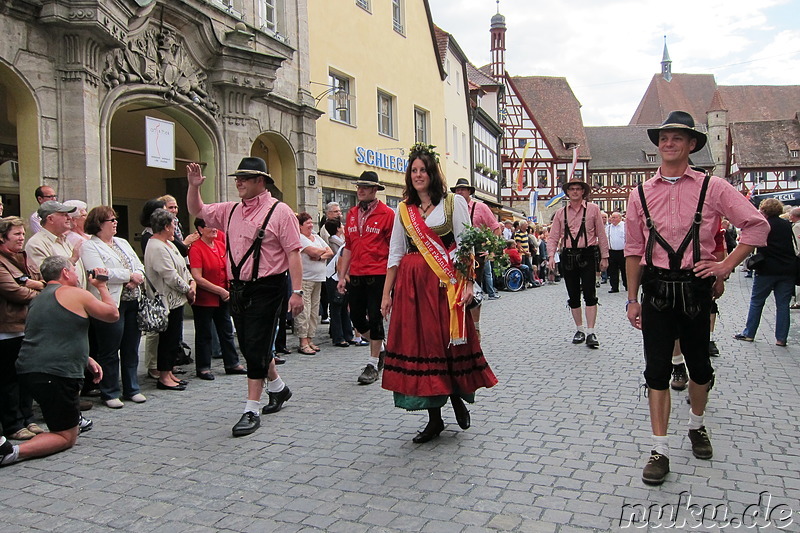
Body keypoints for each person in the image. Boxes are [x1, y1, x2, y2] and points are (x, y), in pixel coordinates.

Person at [625, 110, 769, 486]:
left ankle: (697, 425)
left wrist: (725, 266)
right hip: (655, 290)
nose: (667, 143)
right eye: (663, 137)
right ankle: (659, 449)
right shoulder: (639, 193)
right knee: (655, 372)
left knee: (700, 368)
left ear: (691, 145)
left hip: (695, 290)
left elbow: (758, 225)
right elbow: (633, 250)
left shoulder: (714, 187)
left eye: (676, 137)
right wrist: (631, 297)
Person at [380, 144, 498, 444]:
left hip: (444, 285)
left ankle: (456, 396)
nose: (418, 175)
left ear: (433, 174)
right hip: (412, 288)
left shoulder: (452, 203)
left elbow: (466, 244)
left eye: (423, 170)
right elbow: (395, 253)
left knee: (446, 345)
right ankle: (434, 418)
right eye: (414, 170)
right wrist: (386, 294)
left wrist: (469, 283)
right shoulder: (404, 209)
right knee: (423, 348)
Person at [187, 157, 302, 437]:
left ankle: (251, 408)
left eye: (245, 178)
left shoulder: (280, 211)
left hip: (269, 285)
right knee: (254, 342)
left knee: (254, 344)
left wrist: (297, 292)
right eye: (238, 177)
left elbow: (294, 253)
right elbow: (197, 210)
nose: (239, 182)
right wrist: (193, 187)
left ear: (261, 181)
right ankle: (278, 388)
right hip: (238, 287)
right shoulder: (231, 210)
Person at [0, 255, 118, 468]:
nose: (77, 273)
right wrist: (102, 286)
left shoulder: (38, 299)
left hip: (30, 370)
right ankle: (10, 451)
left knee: (59, 420)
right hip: (55, 374)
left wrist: (87, 359)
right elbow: (112, 314)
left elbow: (52, 334)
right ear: (65, 273)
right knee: (66, 435)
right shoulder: (74, 293)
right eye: (73, 269)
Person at [80, 206, 147, 408]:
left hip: (132, 298)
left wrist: (138, 277)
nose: (116, 222)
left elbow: (139, 265)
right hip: (109, 302)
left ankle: (132, 388)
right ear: (99, 224)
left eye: (116, 219)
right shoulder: (89, 246)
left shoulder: (123, 242)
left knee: (131, 346)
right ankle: (109, 391)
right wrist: (129, 275)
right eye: (111, 220)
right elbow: (100, 272)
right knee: (109, 349)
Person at [336, 171, 395, 385]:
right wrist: (342, 276)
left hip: (378, 273)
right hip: (357, 275)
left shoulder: (387, 214)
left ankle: (372, 363)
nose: (360, 190)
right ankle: (383, 348)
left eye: (365, 186)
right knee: (358, 320)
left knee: (375, 316)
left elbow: (393, 249)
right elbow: (348, 247)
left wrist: (391, 280)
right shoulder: (351, 213)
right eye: (358, 186)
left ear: (374, 190)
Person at [546, 177, 609, 348]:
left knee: (590, 293)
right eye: (571, 189)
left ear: (583, 192)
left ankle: (591, 332)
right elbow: (553, 237)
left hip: (588, 253)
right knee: (573, 294)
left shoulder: (593, 210)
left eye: (577, 189)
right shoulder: (560, 213)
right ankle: (579, 329)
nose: (574, 191)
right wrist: (551, 256)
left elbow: (601, 235)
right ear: (567, 192)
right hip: (568, 255)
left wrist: (604, 257)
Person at [0, 217, 45, 441]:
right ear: (2, 237)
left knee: (26, 376)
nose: (21, 238)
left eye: (22, 234)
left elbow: (39, 278)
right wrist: (37, 289)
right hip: (7, 328)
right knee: (10, 379)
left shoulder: (23, 257)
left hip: (28, 325)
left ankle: (28, 417)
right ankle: (12, 424)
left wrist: (33, 283)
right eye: (16, 234)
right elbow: (13, 291)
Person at [143, 208, 196, 392]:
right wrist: (189, 289)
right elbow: (170, 276)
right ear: (166, 226)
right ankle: (164, 376)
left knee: (173, 339)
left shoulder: (169, 243)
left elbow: (182, 266)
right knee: (167, 340)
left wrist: (191, 281)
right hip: (166, 301)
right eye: (173, 224)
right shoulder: (156, 246)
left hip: (177, 300)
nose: (175, 227)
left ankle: (169, 372)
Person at [188, 218, 247, 380]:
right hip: (205, 297)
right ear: (200, 229)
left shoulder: (220, 246)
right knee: (204, 333)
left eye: (216, 226)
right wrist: (219, 290)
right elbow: (197, 277)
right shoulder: (196, 248)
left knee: (227, 330)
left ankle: (232, 363)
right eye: (210, 226)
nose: (215, 229)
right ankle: (203, 367)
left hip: (224, 296)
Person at [734, 198, 795, 347]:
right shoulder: (788, 225)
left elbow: (753, 243)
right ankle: (781, 338)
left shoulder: (763, 225)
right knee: (783, 305)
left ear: (764, 210)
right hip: (787, 269)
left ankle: (749, 333)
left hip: (766, 268)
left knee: (757, 301)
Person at [451, 177, 502, 314]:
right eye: (458, 190)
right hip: (455, 253)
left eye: (463, 189)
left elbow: (496, 229)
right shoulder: (451, 208)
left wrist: (490, 251)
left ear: (469, 192)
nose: (460, 192)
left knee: (475, 290)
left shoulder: (481, 207)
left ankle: (475, 327)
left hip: (476, 254)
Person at [25, 200, 86, 289]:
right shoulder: (36, 244)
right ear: (50, 219)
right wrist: (72, 260)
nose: (69, 218)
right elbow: (47, 277)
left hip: (76, 297)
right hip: (60, 299)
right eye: (64, 215)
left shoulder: (64, 240)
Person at [296, 212, 333, 354]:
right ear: (299, 226)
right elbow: (312, 251)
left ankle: (310, 338)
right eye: (307, 223)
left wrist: (319, 256)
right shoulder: (299, 238)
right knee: (304, 311)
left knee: (314, 311)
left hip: (318, 278)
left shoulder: (316, 237)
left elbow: (329, 252)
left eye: (312, 223)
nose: (311, 225)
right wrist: (321, 253)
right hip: (305, 278)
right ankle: (303, 341)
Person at [138, 198, 167, 380]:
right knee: (154, 329)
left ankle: (165, 363)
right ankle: (153, 364)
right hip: (155, 287)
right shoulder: (148, 236)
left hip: (165, 288)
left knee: (163, 329)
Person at [324, 219, 354, 347]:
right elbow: (340, 268)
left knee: (343, 307)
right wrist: (350, 282)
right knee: (336, 308)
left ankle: (347, 335)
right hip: (333, 279)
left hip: (342, 279)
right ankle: (338, 337)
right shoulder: (345, 248)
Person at [606, 211, 627, 293]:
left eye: (614, 217)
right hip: (612, 251)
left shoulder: (625, 226)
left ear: (620, 218)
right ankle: (614, 287)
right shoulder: (608, 227)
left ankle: (627, 285)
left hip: (623, 252)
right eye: (612, 217)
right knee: (612, 270)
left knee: (624, 270)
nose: (612, 219)